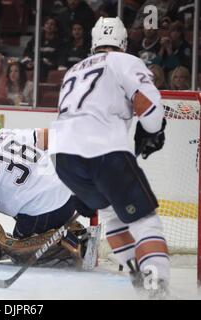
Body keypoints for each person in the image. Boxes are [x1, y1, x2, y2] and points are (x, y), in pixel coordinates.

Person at [49, 17, 170, 298]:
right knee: (144, 221)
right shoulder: (124, 61)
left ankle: (137, 276)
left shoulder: (73, 70)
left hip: (63, 159)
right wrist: (153, 130)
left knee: (112, 216)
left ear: (93, 42)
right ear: (124, 42)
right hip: (103, 151)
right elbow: (151, 109)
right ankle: (157, 291)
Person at [0, 128, 96, 266]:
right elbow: (51, 136)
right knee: (19, 200)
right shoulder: (4, 134)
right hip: (71, 190)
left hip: (47, 208)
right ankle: (71, 228)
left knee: (19, 253)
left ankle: (67, 242)